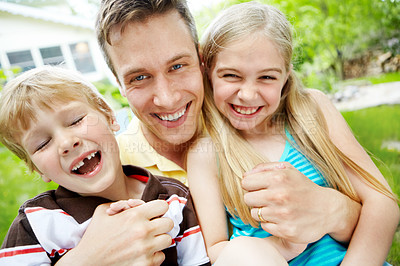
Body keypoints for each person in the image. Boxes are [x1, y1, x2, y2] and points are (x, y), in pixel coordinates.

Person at [56, 0, 364, 264]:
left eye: (177, 66)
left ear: (202, 60)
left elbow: (374, 208)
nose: (168, 98)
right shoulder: (104, 171)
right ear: (118, 83)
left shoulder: (250, 120)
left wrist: (334, 210)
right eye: (139, 77)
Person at [187, 1, 400, 265]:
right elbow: (218, 250)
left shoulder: (312, 109)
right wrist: (282, 245)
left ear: (286, 75)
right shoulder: (206, 153)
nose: (248, 94)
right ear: (208, 72)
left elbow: (382, 203)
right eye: (231, 75)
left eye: (267, 78)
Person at [0, 66, 210, 266]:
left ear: (109, 115)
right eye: (42, 143)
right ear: (37, 169)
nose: (66, 143)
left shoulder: (174, 200)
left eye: (76, 120)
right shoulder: (35, 225)